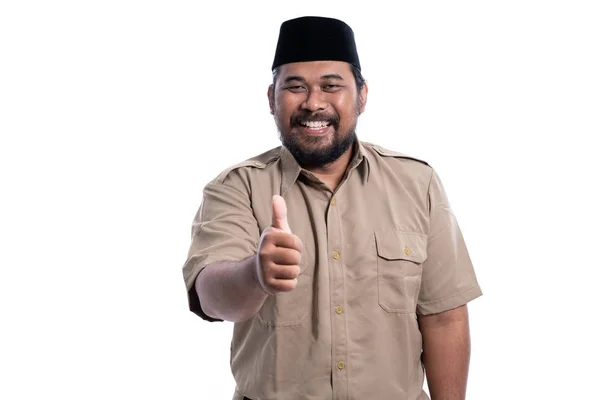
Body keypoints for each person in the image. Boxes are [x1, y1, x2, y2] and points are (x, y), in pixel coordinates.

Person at [182, 16, 482, 400]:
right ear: (272, 98)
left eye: (331, 85)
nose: (313, 103)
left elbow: (444, 317)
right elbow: (210, 296)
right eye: (295, 87)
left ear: (362, 95)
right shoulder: (237, 187)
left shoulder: (416, 183)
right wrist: (254, 274)